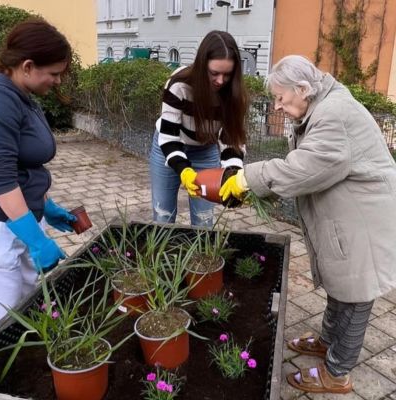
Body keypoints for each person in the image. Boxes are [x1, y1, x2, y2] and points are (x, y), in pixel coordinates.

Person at [220, 55, 396, 393]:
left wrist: (248, 179)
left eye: (280, 97)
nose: (277, 105)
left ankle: (337, 373)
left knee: (356, 297)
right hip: (349, 217)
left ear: (303, 89)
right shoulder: (323, 106)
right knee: (339, 286)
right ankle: (327, 341)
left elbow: (305, 167)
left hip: (365, 223)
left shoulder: (334, 114)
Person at [0, 19, 77, 324]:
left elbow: (21, 166)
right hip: (4, 230)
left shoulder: (21, 96)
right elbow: (2, 181)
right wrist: (36, 239)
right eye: (54, 73)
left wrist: (46, 207)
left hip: (22, 219)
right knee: (5, 315)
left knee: (26, 306)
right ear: (27, 66)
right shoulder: (0, 101)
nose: (58, 81)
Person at [150, 30, 247, 227]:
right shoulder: (179, 85)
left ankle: (201, 257)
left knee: (204, 222)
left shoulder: (233, 95)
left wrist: (234, 172)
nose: (220, 80)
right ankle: (163, 256)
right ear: (203, 66)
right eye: (214, 73)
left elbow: (232, 140)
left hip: (204, 150)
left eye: (227, 74)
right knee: (163, 217)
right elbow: (169, 138)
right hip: (169, 146)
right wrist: (184, 170)